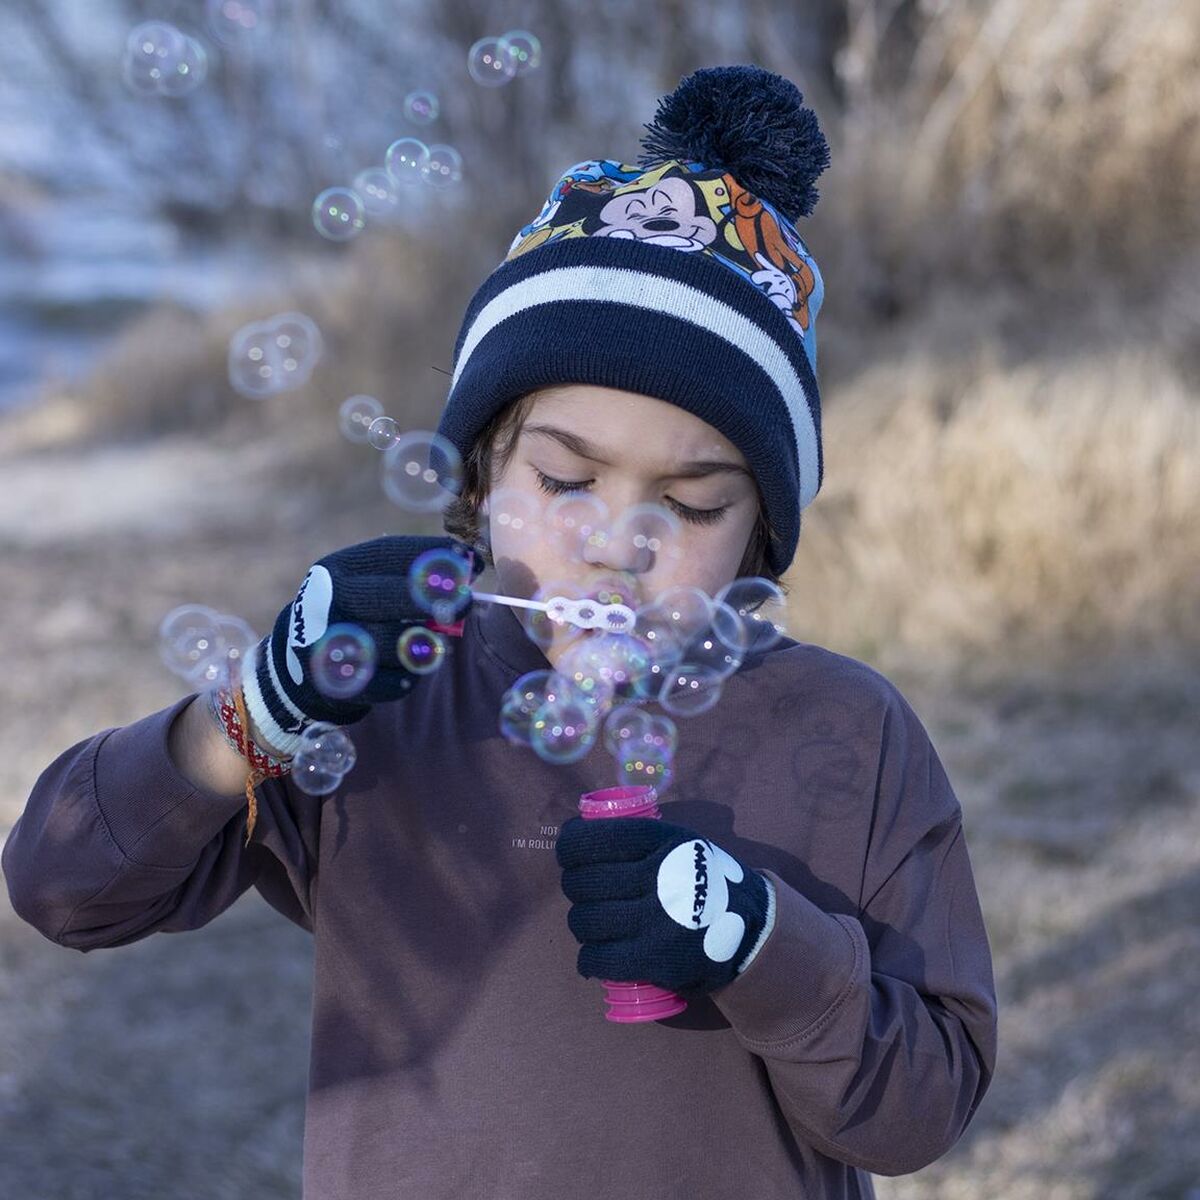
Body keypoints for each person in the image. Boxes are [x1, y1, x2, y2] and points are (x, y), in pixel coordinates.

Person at [2, 65, 997, 1199]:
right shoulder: (380, 703)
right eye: (566, 477)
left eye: (691, 503)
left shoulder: (846, 733)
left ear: (761, 532)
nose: (619, 540)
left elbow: (923, 1108)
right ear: (479, 479)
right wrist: (258, 708)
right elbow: (65, 888)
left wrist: (758, 941)